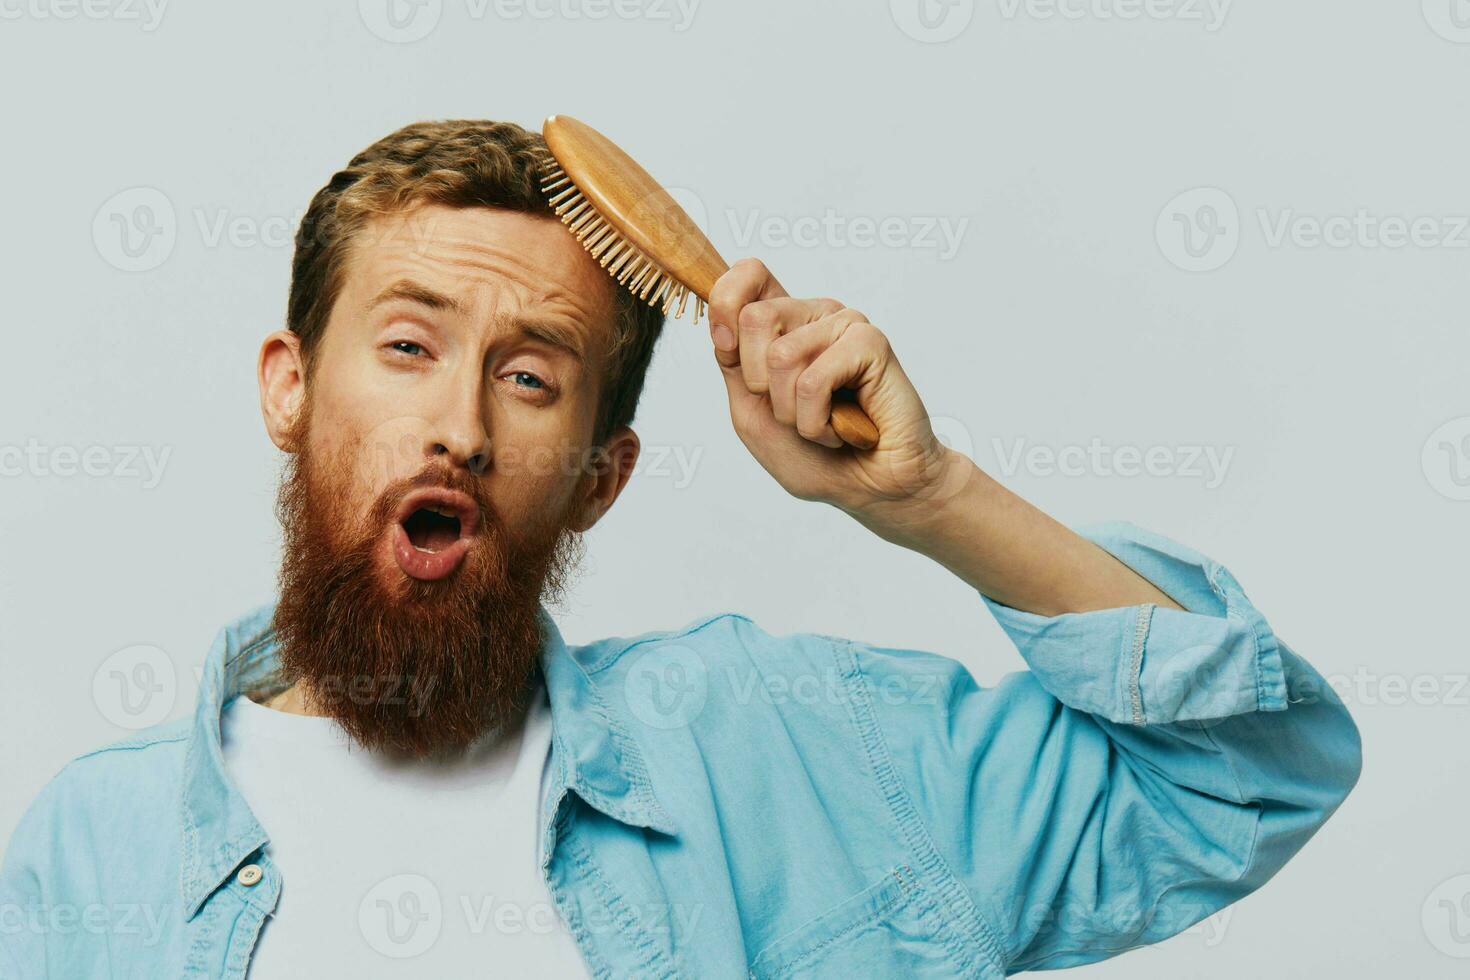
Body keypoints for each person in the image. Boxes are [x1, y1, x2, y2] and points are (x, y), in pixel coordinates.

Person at [0, 120, 1361, 979]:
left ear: (601, 478)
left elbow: (1247, 775)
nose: (459, 428)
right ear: (288, 389)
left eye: (530, 379)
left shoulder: (791, 756)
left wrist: (928, 495)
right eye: (407, 348)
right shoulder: (96, 849)